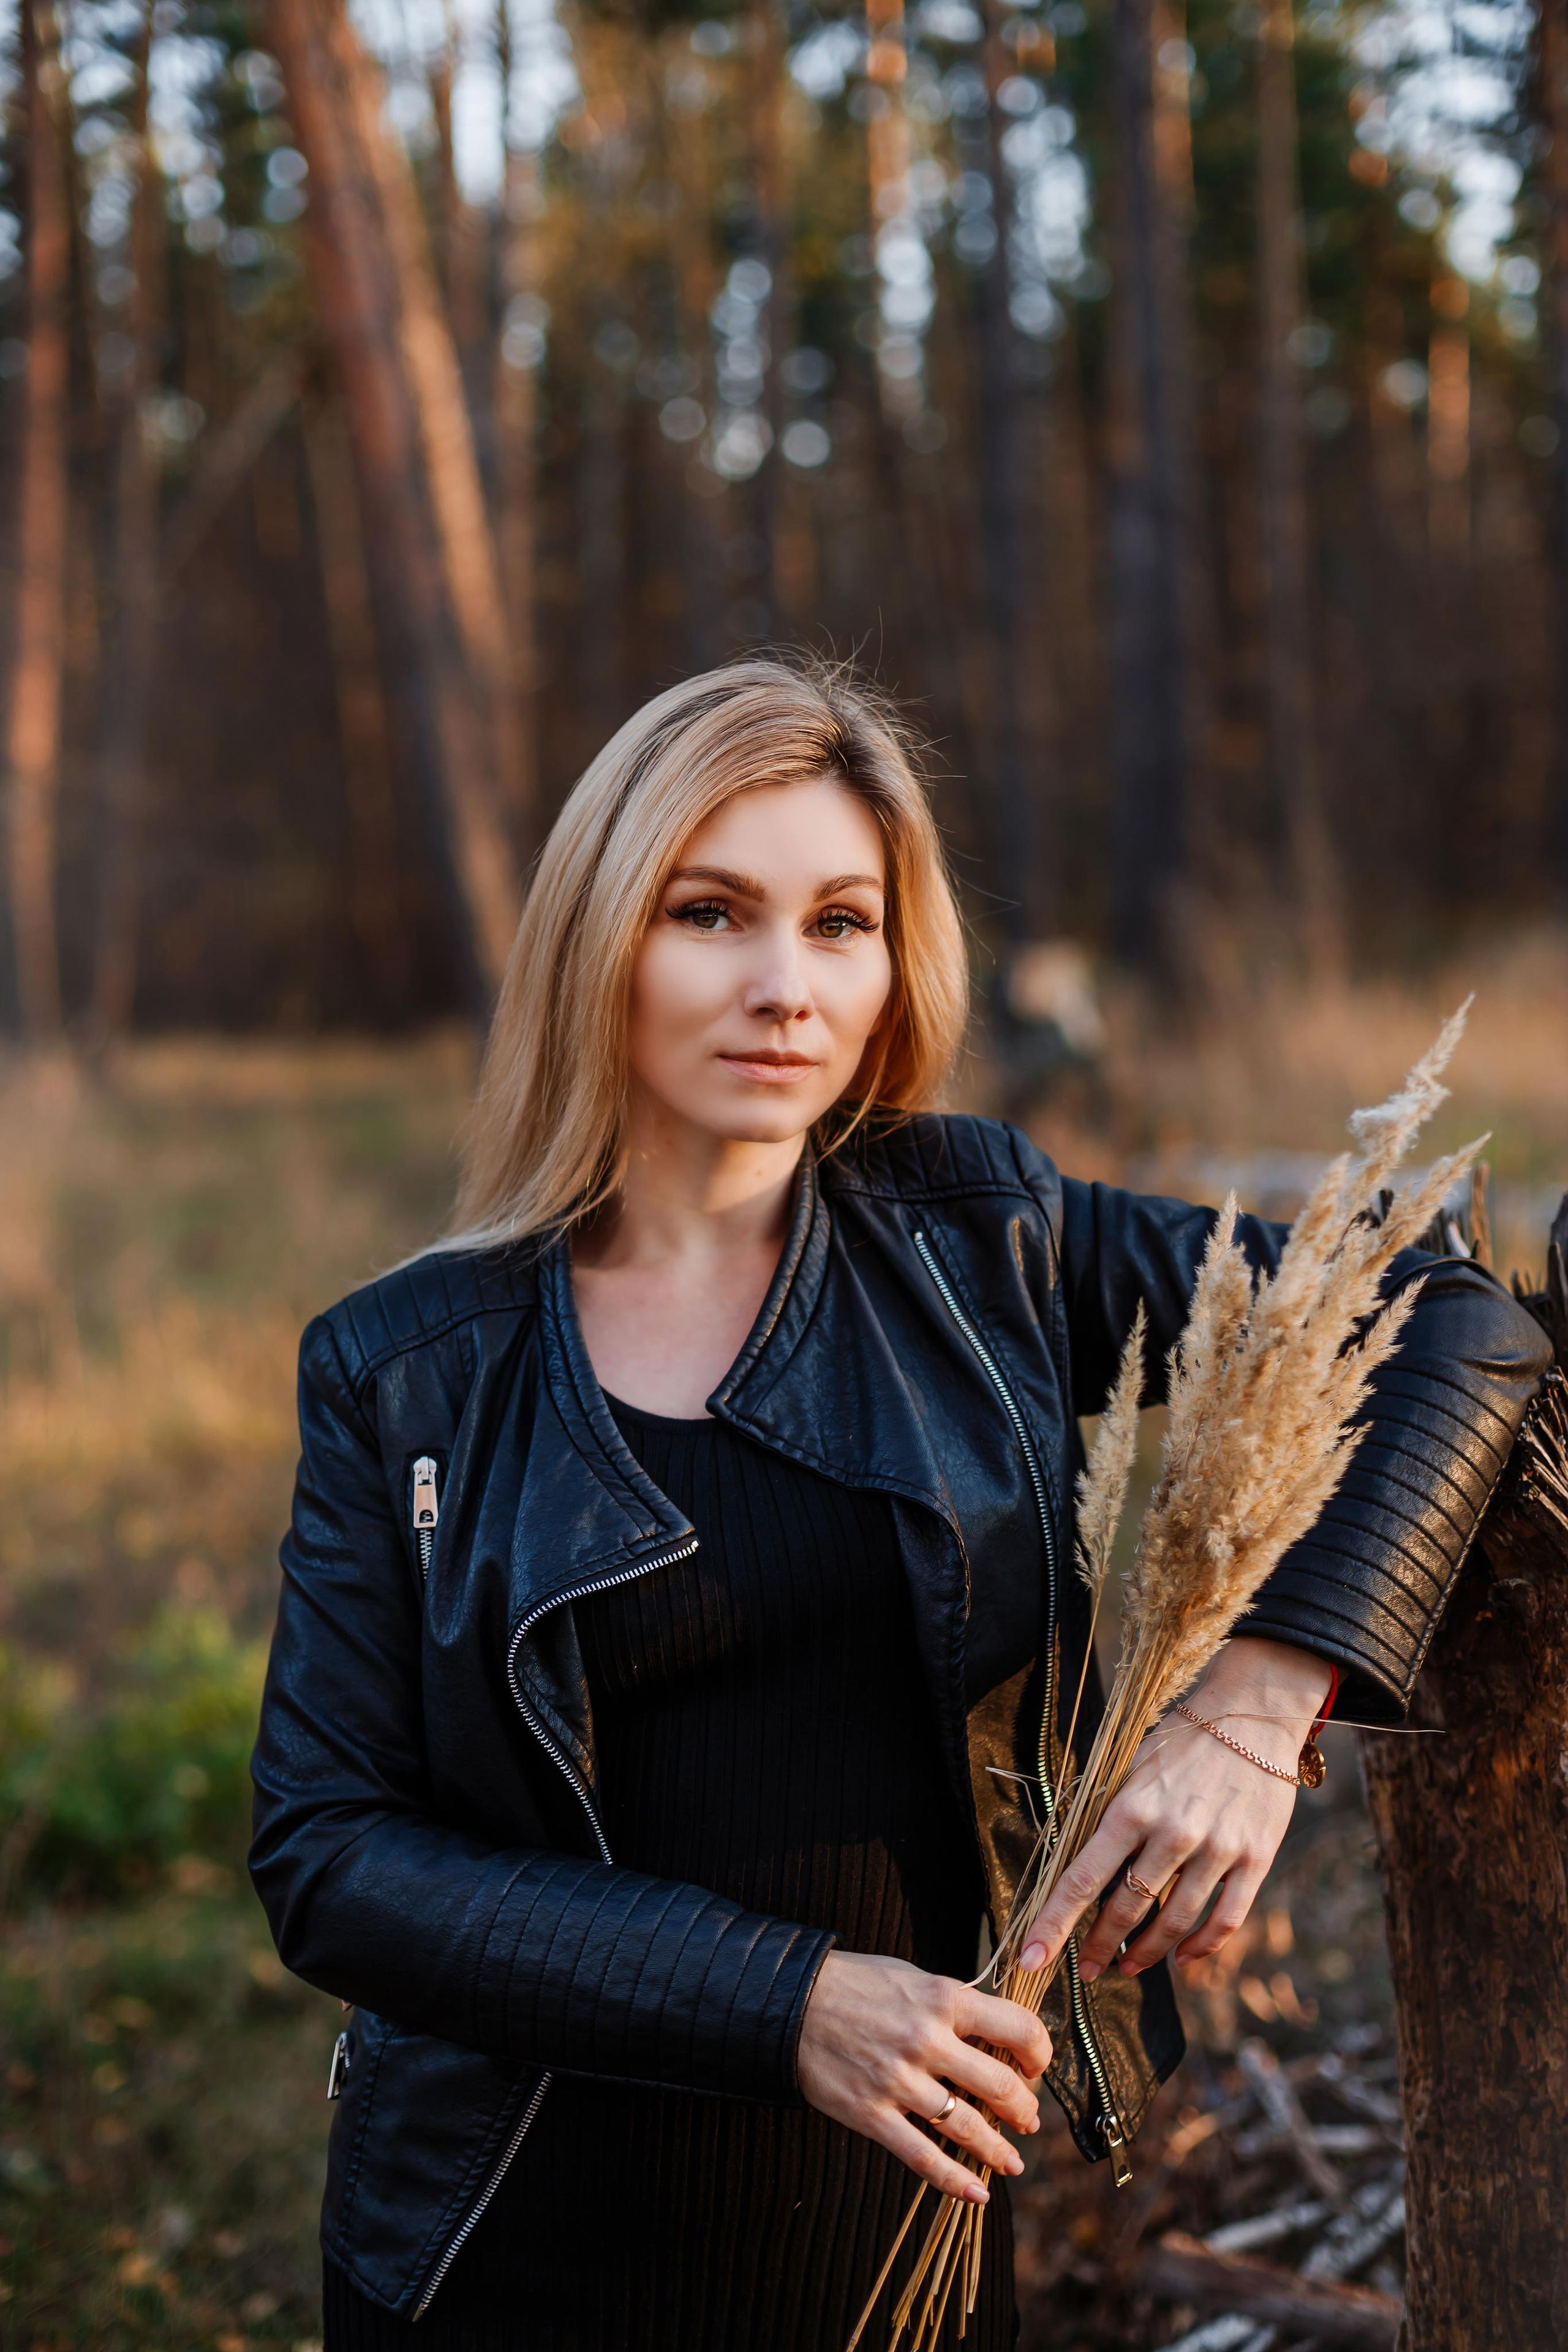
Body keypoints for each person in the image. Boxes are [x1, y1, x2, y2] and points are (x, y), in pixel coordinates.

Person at [249, 657, 1548, 2352]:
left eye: (841, 923)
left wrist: (1258, 1697)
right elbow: (331, 1856)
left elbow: (1452, 1312)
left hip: (909, 2244)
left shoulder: (981, 1244)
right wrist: (783, 2003)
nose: (785, 985)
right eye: (711, 912)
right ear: (598, 940)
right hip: (511, 2241)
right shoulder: (405, 1368)